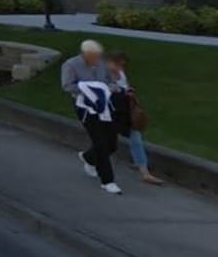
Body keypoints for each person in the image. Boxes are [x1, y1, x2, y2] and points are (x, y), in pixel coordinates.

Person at [60, 39, 122, 194]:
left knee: (111, 143)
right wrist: (89, 90)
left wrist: (112, 88)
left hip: (104, 105)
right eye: (93, 56)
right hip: (85, 107)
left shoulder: (101, 64)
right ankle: (107, 181)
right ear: (84, 54)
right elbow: (67, 86)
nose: (96, 59)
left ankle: (88, 157)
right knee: (100, 142)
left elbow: (111, 81)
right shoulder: (71, 65)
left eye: (98, 56)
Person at [106, 51, 164, 185]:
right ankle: (92, 160)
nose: (120, 68)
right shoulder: (102, 74)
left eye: (122, 65)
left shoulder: (120, 73)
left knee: (135, 137)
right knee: (107, 139)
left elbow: (124, 86)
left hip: (124, 109)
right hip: (110, 111)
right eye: (117, 64)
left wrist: (128, 91)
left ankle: (145, 172)